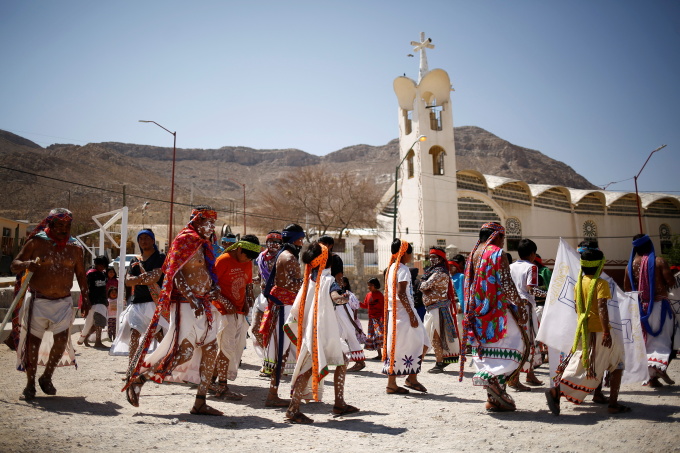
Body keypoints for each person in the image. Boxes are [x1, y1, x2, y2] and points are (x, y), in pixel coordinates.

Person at [123, 206, 235, 416]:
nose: (211, 227)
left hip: (204, 305)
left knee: (211, 350)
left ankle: (200, 401)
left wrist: (214, 288)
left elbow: (206, 271)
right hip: (186, 304)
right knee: (184, 353)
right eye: (207, 222)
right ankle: (140, 379)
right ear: (196, 221)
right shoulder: (184, 240)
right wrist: (192, 297)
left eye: (214, 223)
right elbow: (174, 272)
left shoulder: (206, 244)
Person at [11, 208, 88, 400]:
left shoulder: (76, 248)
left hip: (63, 301)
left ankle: (47, 377)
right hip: (38, 300)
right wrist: (27, 263)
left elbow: (81, 275)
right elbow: (14, 264)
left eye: (67, 225)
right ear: (50, 225)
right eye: (60, 225)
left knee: (61, 341)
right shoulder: (36, 242)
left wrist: (86, 298)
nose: (64, 229)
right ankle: (30, 384)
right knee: (33, 345)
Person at [546, 248, 629, 415]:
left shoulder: (579, 283)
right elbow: (601, 307)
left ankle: (598, 394)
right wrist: (606, 332)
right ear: (600, 266)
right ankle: (612, 403)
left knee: (589, 363)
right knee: (616, 364)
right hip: (600, 331)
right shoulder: (600, 283)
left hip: (585, 331)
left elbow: (578, 308)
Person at [283, 242, 359, 424]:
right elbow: (335, 297)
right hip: (321, 334)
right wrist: (343, 298)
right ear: (326, 260)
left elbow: (297, 308)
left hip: (314, 332)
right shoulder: (327, 280)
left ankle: (339, 402)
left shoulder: (309, 279)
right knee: (309, 369)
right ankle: (293, 409)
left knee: (341, 360)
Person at [461, 222, 529, 412]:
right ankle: (494, 383)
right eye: (503, 238)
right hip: (498, 312)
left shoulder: (473, 254)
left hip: (478, 312)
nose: (503, 242)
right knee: (517, 344)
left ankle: (494, 397)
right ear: (496, 236)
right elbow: (507, 285)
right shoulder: (498, 254)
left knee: (489, 351)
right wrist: (520, 306)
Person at [624, 233, 677, 387]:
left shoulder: (629, 266)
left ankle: (652, 376)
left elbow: (627, 288)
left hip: (641, 309)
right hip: (660, 307)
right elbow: (671, 281)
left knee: (647, 343)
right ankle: (657, 371)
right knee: (665, 341)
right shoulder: (659, 261)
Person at [111, 229, 168, 372]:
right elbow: (127, 281)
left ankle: (164, 365)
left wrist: (136, 280)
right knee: (134, 334)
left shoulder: (160, 257)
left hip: (154, 303)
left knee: (160, 336)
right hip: (137, 303)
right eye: (141, 238)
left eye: (147, 238)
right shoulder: (135, 260)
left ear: (153, 240)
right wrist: (142, 279)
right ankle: (132, 368)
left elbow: (154, 278)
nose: (144, 241)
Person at [260, 223, 305, 407]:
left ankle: (276, 392)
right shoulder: (289, 258)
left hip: (283, 306)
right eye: (300, 239)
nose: (302, 243)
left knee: (284, 352)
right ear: (295, 240)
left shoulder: (283, 255)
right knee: (281, 353)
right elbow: (291, 285)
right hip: (285, 308)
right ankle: (272, 395)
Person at [212, 234, 261, 400]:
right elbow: (210, 286)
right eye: (246, 255)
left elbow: (247, 283)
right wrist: (225, 302)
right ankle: (222, 386)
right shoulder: (223, 260)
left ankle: (211, 381)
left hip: (238, 311)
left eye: (250, 258)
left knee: (234, 348)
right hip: (222, 311)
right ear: (239, 248)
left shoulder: (247, 261)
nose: (247, 259)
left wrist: (247, 301)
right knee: (226, 347)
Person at [383, 239, 431, 395]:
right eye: (410, 252)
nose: (411, 256)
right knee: (423, 343)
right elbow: (401, 292)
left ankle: (399, 381)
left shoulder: (391, 269)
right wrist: (411, 314)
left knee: (399, 346)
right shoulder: (402, 269)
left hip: (397, 313)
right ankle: (410, 378)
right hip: (404, 313)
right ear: (404, 253)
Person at [509, 238, 546, 390]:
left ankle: (529, 374)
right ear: (532, 254)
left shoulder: (510, 267)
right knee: (527, 340)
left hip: (511, 307)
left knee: (518, 340)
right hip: (525, 307)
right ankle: (515, 378)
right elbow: (531, 289)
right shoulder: (532, 268)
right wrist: (548, 294)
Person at [421, 247, 460, 373]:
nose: (431, 260)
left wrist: (425, 287)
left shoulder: (440, 273)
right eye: (430, 257)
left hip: (437, 310)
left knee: (435, 337)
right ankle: (439, 361)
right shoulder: (434, 272)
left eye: (434, 257)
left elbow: (424, 286)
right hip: (433, 309)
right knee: (432, 336)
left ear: (440, 259)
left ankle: (439, 362)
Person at [252, 231, 282, 377]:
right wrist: (256, 280)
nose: (272, 244)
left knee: (271, 332)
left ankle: (272, 363)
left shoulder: (283, 258)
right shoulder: (261, 257)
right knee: (255, 329)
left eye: (276, 241)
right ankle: (267, 358)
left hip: (275, 299)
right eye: (270, 241)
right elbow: (260, 275)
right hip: (263, 297)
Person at [78, 255, 109, 348]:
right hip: (93, 301)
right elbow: (86, 289)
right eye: (100, 265)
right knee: (96, 321)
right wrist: (86, 302)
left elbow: (104, 288)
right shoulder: (90, 274)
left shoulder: (103, 274)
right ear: (96, 264)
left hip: (102, 301)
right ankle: (97, 341)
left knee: (98, 322)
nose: (102, 267)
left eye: (103, 265)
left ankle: (85, 338)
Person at [338, 276, 367, 372]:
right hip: (342, 319)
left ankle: (360, 362)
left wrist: (354, 324)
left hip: (347, 320)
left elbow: (352, 309)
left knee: (351, 338)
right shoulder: (340, 293)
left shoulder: (347, 295)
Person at [362, 277, 384, 361]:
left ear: (375, 285)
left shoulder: (380, 295)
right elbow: (365, 305)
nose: (368, 287)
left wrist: (382, 319)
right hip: (371, 319)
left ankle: (385, 353)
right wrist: (356, 303)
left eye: (370, 285)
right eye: (368, 285)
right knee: (374, 337)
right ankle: (379, 354)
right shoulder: (368, 295)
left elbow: (383, 307)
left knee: (380, 336)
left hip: (379, 319)